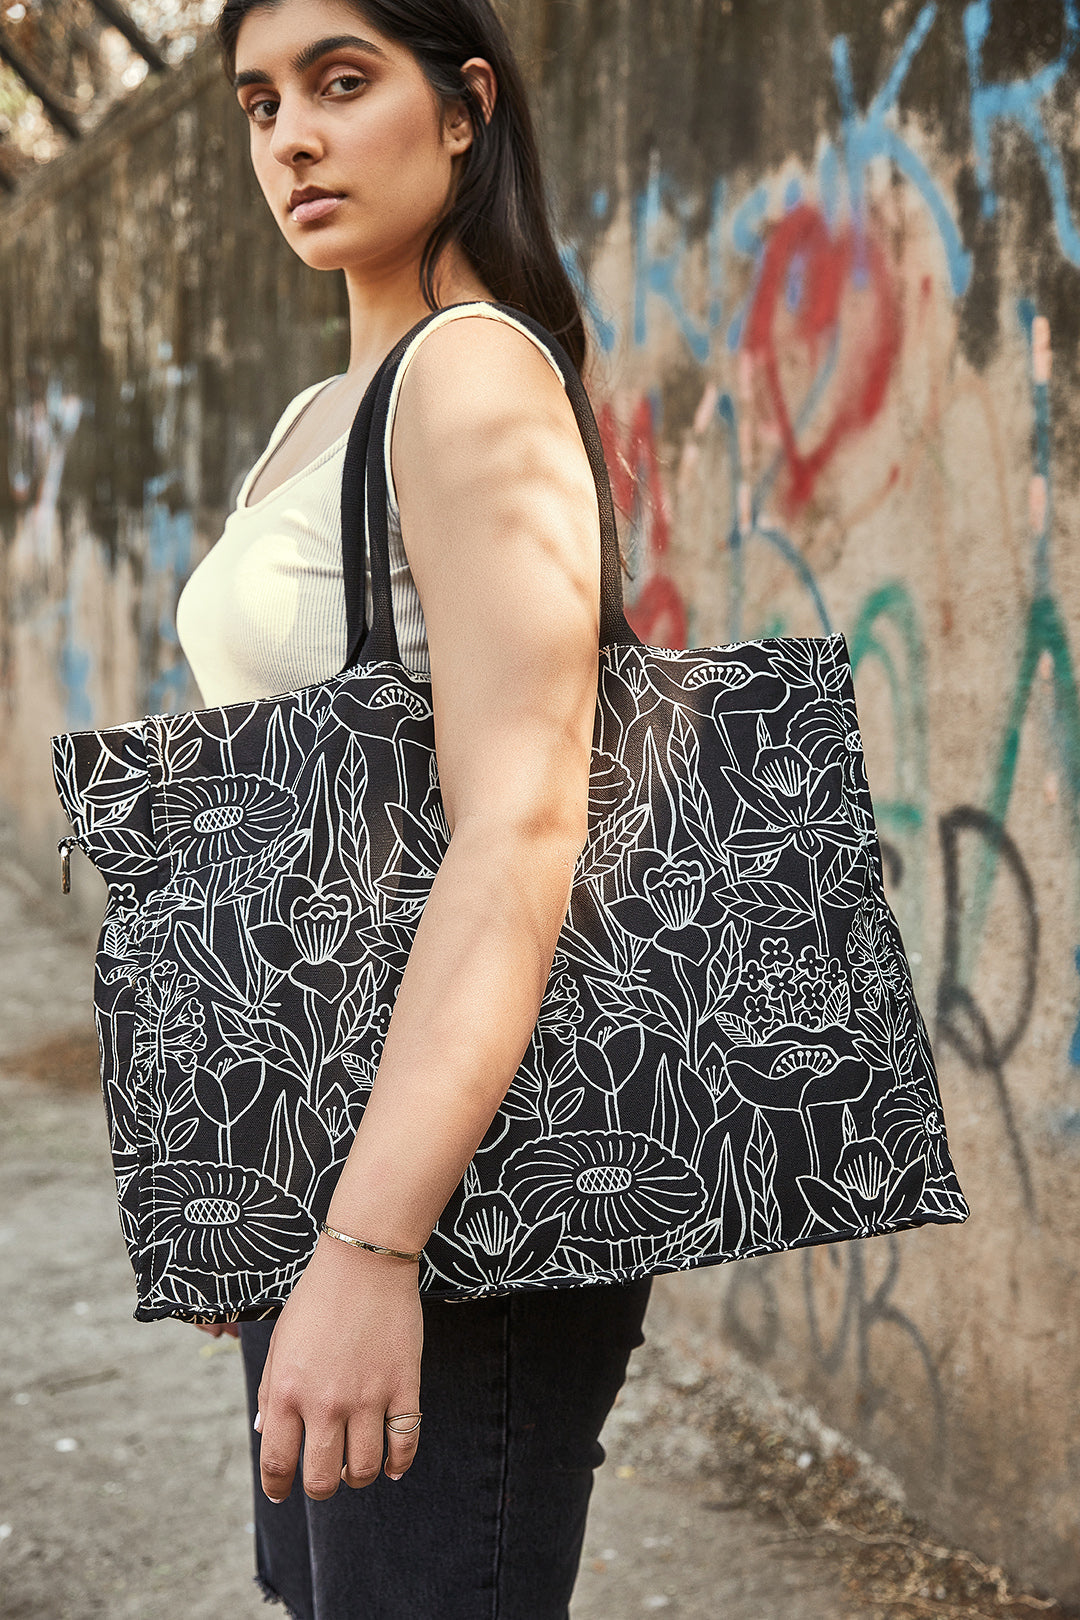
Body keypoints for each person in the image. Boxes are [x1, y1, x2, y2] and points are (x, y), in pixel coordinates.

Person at [174, 2, 652, 1615]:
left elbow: (522, 825)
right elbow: (274, 824)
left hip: (458, 1185)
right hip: (332, 1147)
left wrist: (370, 1250)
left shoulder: (471, 377)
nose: (292, 137)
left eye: (341, 81)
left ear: (464, 109)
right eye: (260, 103)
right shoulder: (325, 412)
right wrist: (239, 1170)